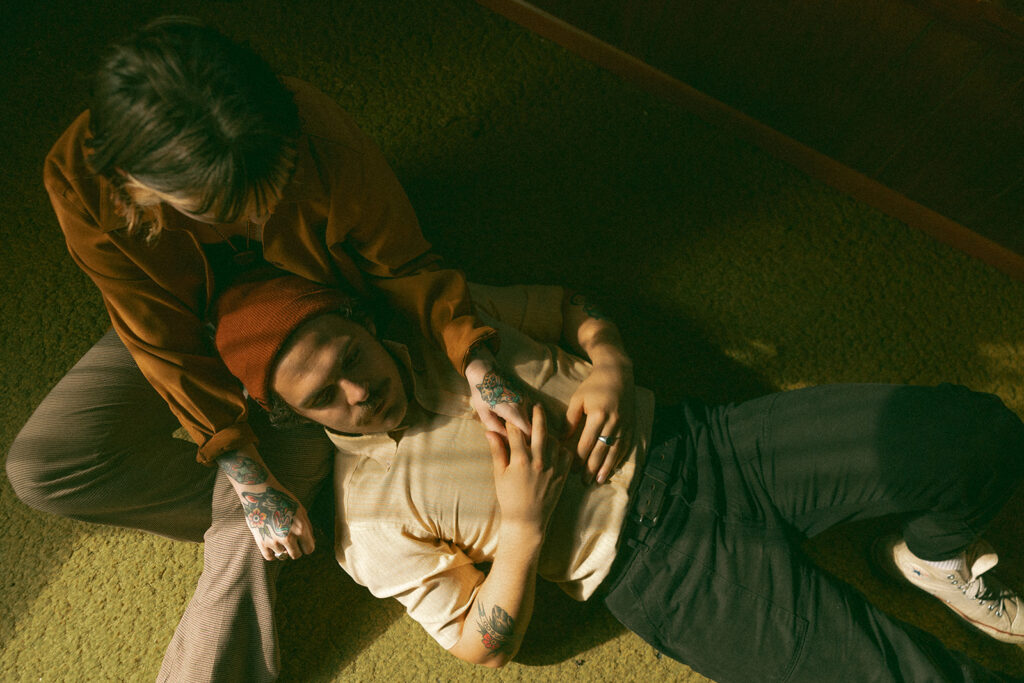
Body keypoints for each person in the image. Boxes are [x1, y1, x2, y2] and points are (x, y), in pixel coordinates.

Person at [6, 16, 528, 682]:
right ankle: (309, 489)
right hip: (191, 326)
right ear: (133, 182)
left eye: (266, 198)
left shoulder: (309, 124)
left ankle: (293, 490)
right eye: (217, 209)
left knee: (241, 540)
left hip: (312, 324)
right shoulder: (80, 179)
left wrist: (479, 363)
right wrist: (245, 470)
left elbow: (405, 262)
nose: (250, 223)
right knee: (43, 468)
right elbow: (156, 339)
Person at [212, 271, 1024, 682]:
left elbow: (568, 306)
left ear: (358, 321)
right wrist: (523, 533)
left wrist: (611, 358)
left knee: (978, 435)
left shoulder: (443, 322)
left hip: (709, 441)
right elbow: (475, 643)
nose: (358, 390)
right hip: (664, 574)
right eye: (325, 394)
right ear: (289, 413)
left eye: (351, 356)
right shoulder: (364, 519)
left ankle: (931, 556)